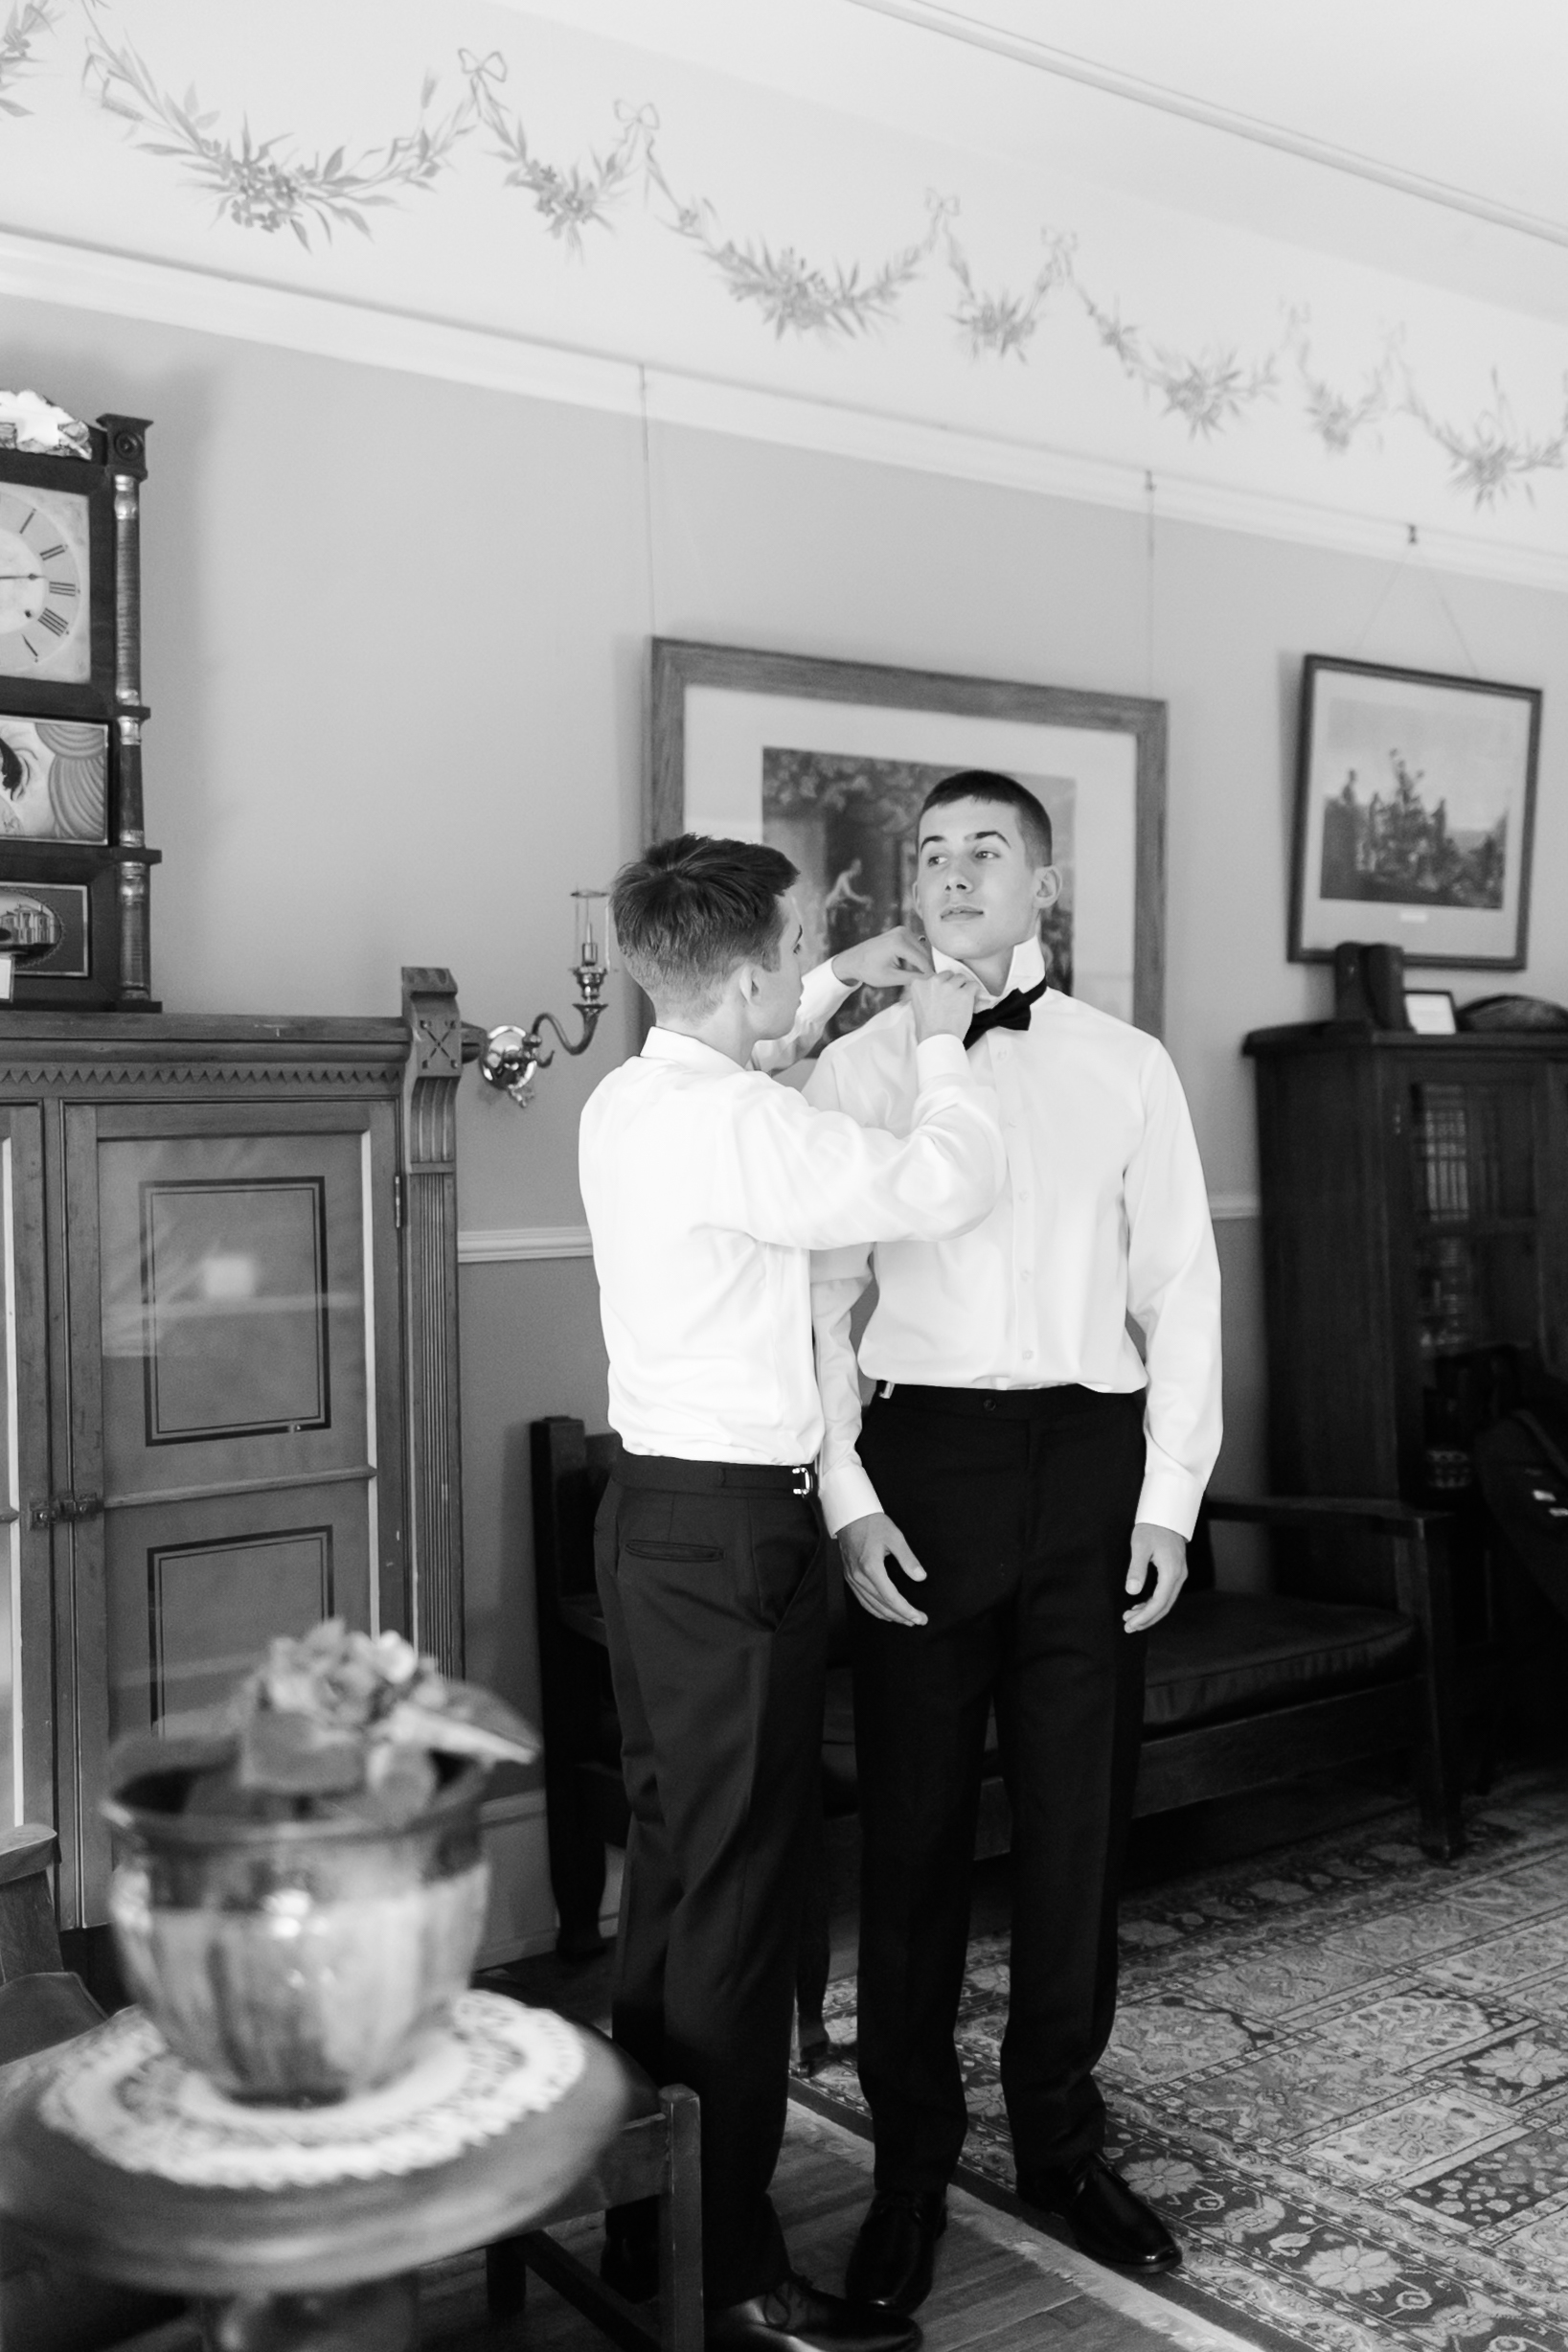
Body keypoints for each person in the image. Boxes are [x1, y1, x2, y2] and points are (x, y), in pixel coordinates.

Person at [579, 833, 1006, 2352]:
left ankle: (655, 2221)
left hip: (650, 1524)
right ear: (742, 967)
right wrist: (947, 1045)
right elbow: (941, 1184)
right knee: (744, 1911)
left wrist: (826, 980)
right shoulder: (747, 1129)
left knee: (677, 1883)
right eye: (796, 941)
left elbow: (749, 1036)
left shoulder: (630, 1098)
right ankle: (735, 2270)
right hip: (732, 1545)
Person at [807, 771, 1222, 2312]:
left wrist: (1168, 1502)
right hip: (920, 1465)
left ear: (1041, 887)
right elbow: (817, 1303)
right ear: (910, 891)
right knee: (911, 1842)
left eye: (988, 849)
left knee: (1072, 1834)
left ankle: (1058, 2138)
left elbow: (1179, 1286)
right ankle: (909, 2170)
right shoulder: (858, 1069)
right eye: (931, 853)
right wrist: (847, 1496)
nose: (955, 871)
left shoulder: (1124, 1065)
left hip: (1088, 1471)